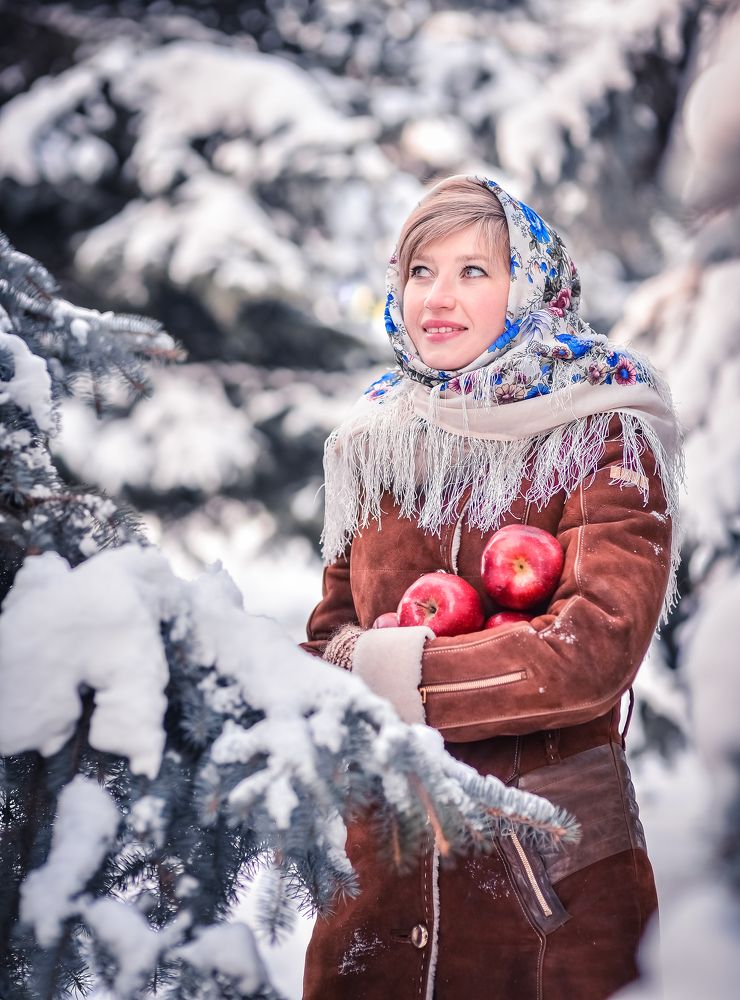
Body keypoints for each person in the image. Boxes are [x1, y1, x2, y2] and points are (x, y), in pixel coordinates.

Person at [300, 175, 682, 1000]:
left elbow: (592, 648)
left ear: (532, 286)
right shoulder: (376, 444)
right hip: (380, 874)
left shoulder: (601, 429)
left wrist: (395, 673)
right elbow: (328, 637)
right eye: (420, 271)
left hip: (546, 884)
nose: (438, 297)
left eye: (474, 270)